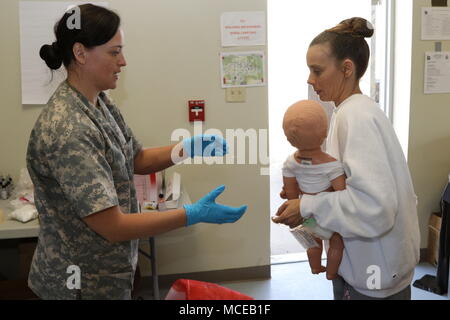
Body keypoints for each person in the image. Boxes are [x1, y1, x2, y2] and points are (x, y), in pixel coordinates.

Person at [26, 4, 247, 300]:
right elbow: (113, 226)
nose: (123, 61)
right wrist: (191, 215)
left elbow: (137, 159)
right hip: (77, 286)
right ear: (80, 54)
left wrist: (187, 148)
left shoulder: (99, 102)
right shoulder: (69, 128)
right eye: (114, 52)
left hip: (106, 277)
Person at [273, 17, 420, 300]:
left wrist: (307, 204)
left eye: (317, 70)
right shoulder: (349, 111)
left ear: (346, 69)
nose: (310, 79)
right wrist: (311, 189)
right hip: (367, 267)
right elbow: (351, 183)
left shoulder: (357, 117)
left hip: (374, 276)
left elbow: (374, 206)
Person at [281, 100, 345, 280]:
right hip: (328, 216)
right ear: (325, 133)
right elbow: (342, 194)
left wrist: (294, 201)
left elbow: (291, 195)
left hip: (308, 217)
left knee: (313, 243)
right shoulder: (333, 165)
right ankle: (332, 273)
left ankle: (315, 267)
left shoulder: (290, 162)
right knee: (337, 242)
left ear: (288, 137)